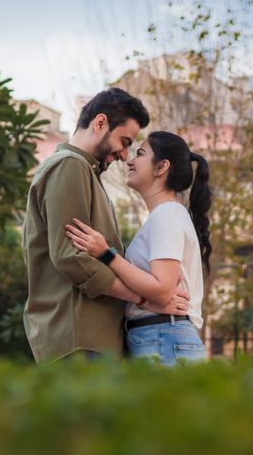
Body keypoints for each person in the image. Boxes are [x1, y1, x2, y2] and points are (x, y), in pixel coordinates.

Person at [22, 89, 188, 362]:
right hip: (80, 337)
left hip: (91, 338)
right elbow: (72, 258)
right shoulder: (69, 166)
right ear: (100, 123)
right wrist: (146, 299)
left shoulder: (85, 171)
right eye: (124, 142)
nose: (124, 155)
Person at [65, 131, 212, 364]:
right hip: (160, 336)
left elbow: (162, 290)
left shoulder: (168, 216)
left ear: (161, 166)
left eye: (140, 154)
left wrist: (106, 254)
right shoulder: (163, 216)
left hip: (163, 337)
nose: (130, 161)